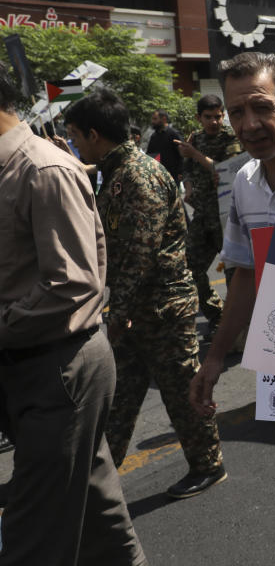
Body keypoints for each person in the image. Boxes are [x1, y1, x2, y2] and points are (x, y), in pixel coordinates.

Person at [0, 65, 146, 565]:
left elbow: (74, 284)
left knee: (31, 536)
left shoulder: (42, 169)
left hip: (60, 366)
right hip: (24, 366)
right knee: (98, 519)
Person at [64, 90, 226, 499]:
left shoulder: (137, 176)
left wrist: (115, 314)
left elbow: (140, 250)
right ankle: (98, 473)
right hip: (136, 309)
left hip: (162, 308)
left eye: (76, 136)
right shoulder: (117, 171)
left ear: (95, 134)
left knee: (182, 391)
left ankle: (208, 465)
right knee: (118, 398)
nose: (76, 144)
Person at [189, 52, 275, 465]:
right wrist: (216, 356)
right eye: (237, 112)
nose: (249, 124)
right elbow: (245, 272)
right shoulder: (244, 182)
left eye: (262, 107)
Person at [175, 95, 244, 339]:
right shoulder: (196, 138)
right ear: (199, 118)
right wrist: (189, 185)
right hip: (203, 216)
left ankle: (234, 325)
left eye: (218, 116)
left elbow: (227, 169)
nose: (214, 121)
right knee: (189, 267)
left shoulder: (231, 137)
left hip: (226, 219)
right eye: (208, 117)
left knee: (232, 275)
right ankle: (215, 314)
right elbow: (187, 170)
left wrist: (195, 154)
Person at [145, 109, 184, 181]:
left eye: (155, 119)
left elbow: (182, 154)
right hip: (157, 175)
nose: (152, 122)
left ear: (164, 119)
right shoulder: (154, 136)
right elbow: (149, 155)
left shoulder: (173, 134)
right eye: (152, 119)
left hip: (172, 176)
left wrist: (180, 172)